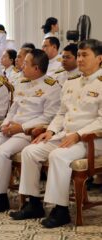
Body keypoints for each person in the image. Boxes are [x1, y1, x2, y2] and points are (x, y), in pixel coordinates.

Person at [10, 39, 102, 228]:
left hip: (91, 140)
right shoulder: (71, 82)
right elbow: (61, 113)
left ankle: (60, 210)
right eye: (78, 55)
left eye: (85, 55)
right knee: (30, 151)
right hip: (64, 136)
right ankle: (33, 203)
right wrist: (50, 131)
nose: (80, 59)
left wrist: (78, 135)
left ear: (99, 59)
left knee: (58, 156)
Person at [0, 49, 61, 214]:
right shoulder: (22, 82)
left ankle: (0, 197)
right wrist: (5, 125)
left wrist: (20, 127)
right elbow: (13, 110)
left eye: (26, 63)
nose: (21, 66)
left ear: (36, 68)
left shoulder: (51, 86)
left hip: (28, 133)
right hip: (10, 130)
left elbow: (48, 117)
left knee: (1, 152)